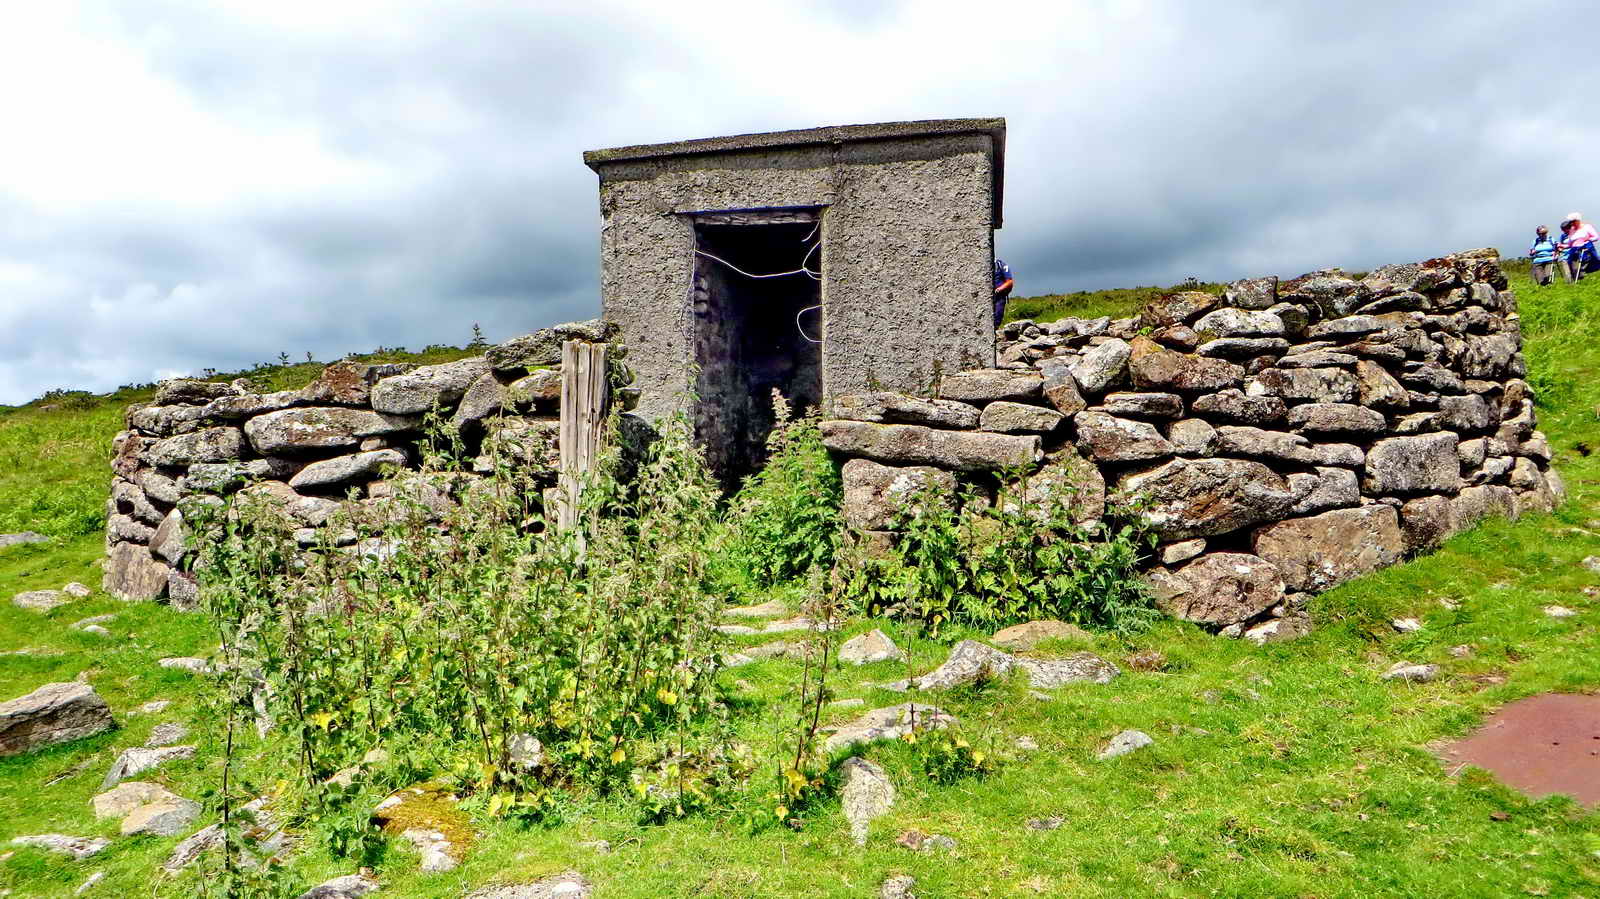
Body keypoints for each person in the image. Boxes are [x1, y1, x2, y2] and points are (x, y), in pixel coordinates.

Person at [1562, 213, 1600, 281]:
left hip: (1585, 249)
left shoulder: (1587, 227)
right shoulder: (1571, 230)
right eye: (1571, 222)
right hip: (1574, 250)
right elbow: (1570, 244)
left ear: (1578, 220)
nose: (1572, 224)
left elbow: (1596, 237)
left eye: (1573, 222)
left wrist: (1587, 239)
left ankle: (1581, 280)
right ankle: (1577, 281)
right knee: (1574, 267)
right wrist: (1562, 246)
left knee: (1582, 266)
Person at [992, 258, 1015, 327]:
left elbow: (1010, 282)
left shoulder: (1000, 264)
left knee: (997, 316)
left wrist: (999, 289)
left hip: (999, 296)